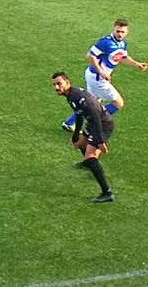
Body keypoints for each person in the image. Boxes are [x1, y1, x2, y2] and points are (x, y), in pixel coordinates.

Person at [60, 18, 148, 131]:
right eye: (117, 31)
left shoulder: (123, 43)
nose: (120, 34)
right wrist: (101, 71)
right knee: (118, 103)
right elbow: (89, 56)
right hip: (98, 78)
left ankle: (69, 123)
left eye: (122, 32)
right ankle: (97, 121)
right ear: (113, 29)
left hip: (94, 76)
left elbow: (123, 57)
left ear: (127, 32)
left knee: (91, 103)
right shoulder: (105, 42)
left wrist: (137, 64)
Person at [51, 72, 115, 204]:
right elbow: (79, 115)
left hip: (102, 125)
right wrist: (76, 135)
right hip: (93, 124)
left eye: (59, 84)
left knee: (90, 157)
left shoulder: (77, 96)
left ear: (67, 82)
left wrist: (100, 141)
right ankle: (88, 165)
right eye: (54, 85)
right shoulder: (70, 95)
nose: (57, 87)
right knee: (80, 143)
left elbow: (96, 117)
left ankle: (107, 192)